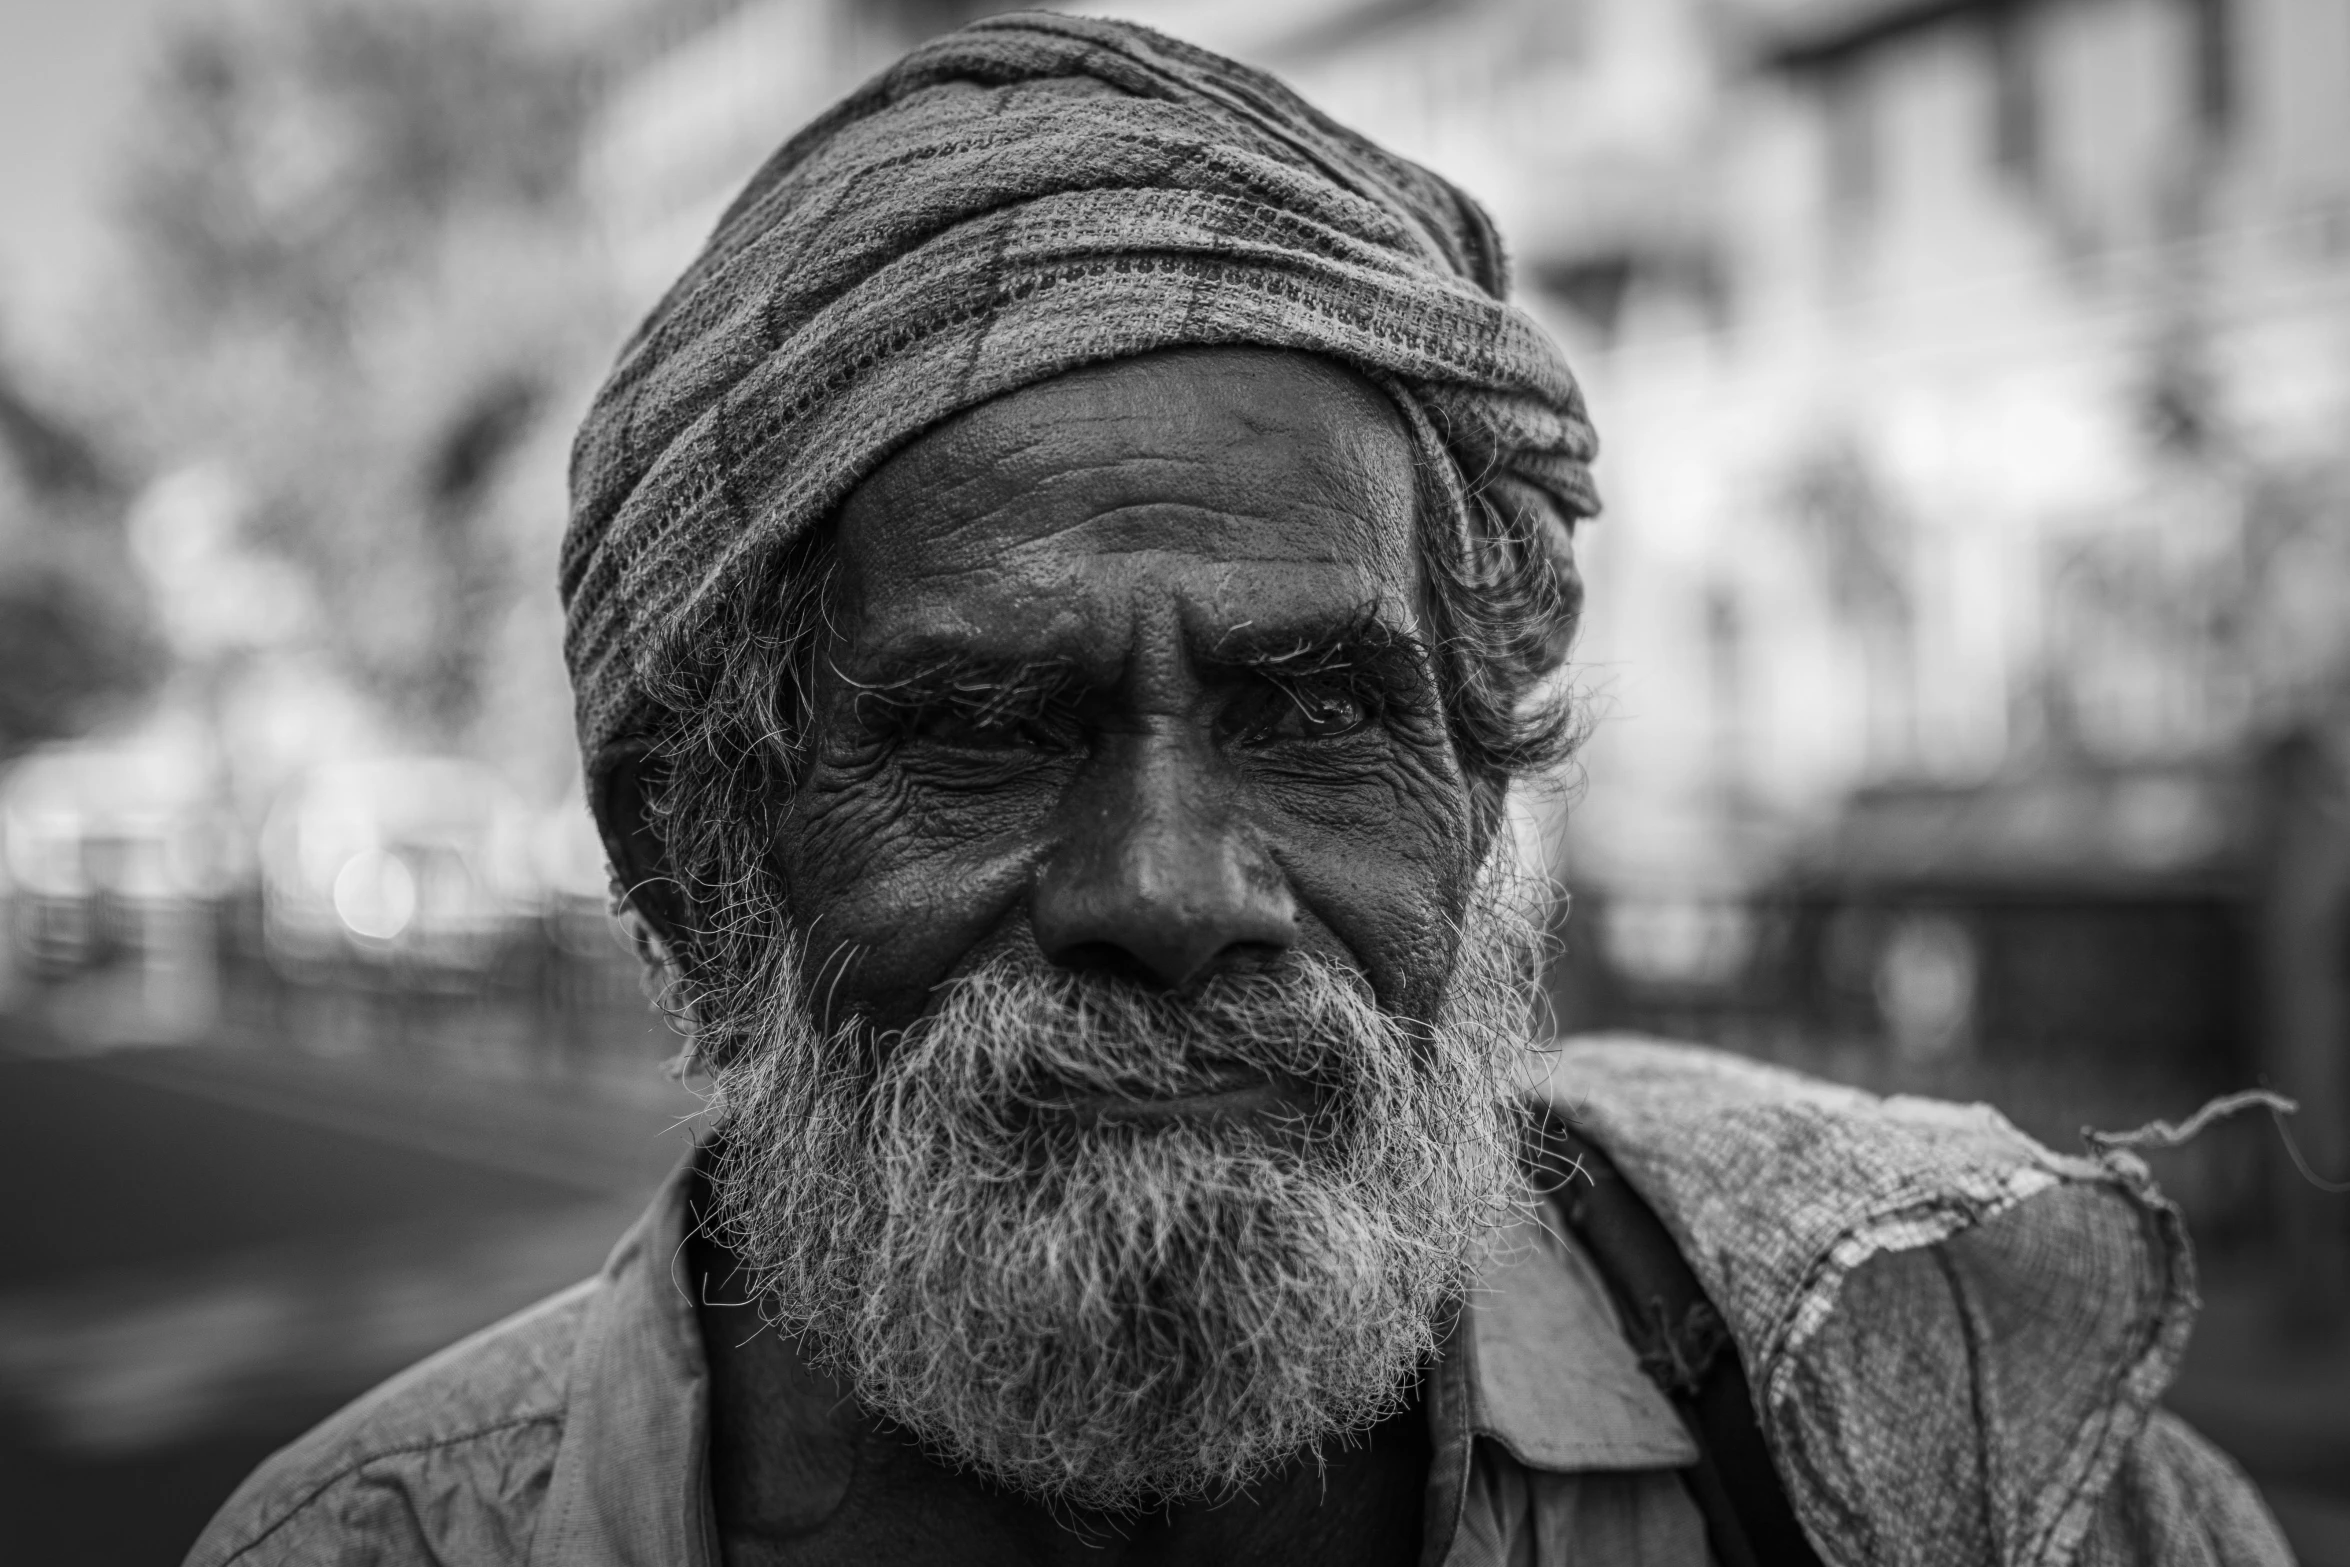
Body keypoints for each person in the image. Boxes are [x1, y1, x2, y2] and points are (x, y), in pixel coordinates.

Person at [187, 14, 2291, 1566]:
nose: (1175, 889)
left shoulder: (1964, 1470)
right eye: (985, 731)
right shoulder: (376, 1545)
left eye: (1311, 711)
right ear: (686, 859)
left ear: (1477, 788)